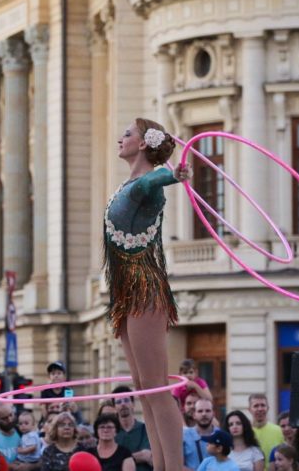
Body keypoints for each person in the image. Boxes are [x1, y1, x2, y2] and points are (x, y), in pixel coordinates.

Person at [104, 118, 191, 471]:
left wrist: (174, 175)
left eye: (127, 133)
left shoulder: (146, 186)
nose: (120, 138)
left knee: (155, 387)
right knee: (142, 386)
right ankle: (160, 465)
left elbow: (156, 180)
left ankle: (173, 467)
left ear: (143, 145)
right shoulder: (127, 185)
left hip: (144, 288)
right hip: (126, 292)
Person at [111, 387, 152, 471]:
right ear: (114, 408)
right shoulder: (111, 432)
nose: (123, 404)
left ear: (133, 404)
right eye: (118, 402)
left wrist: (118, 460)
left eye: (126, 400)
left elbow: (148, 455)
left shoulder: (146, 429)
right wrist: (139, 456)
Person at [184, 399, 220, 471]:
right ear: (194, 415)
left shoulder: (221, 436)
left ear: (213, 414)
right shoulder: (184, 436)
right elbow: (178, 465)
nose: (204, 414)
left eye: (207, 411)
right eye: (200, 411)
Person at [248, 394, 283, 462]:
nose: (260, 409)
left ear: (268, 408)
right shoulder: (245, 432)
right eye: (256, 406)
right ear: (249, 409)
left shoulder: (279, 430)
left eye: (263, 405)